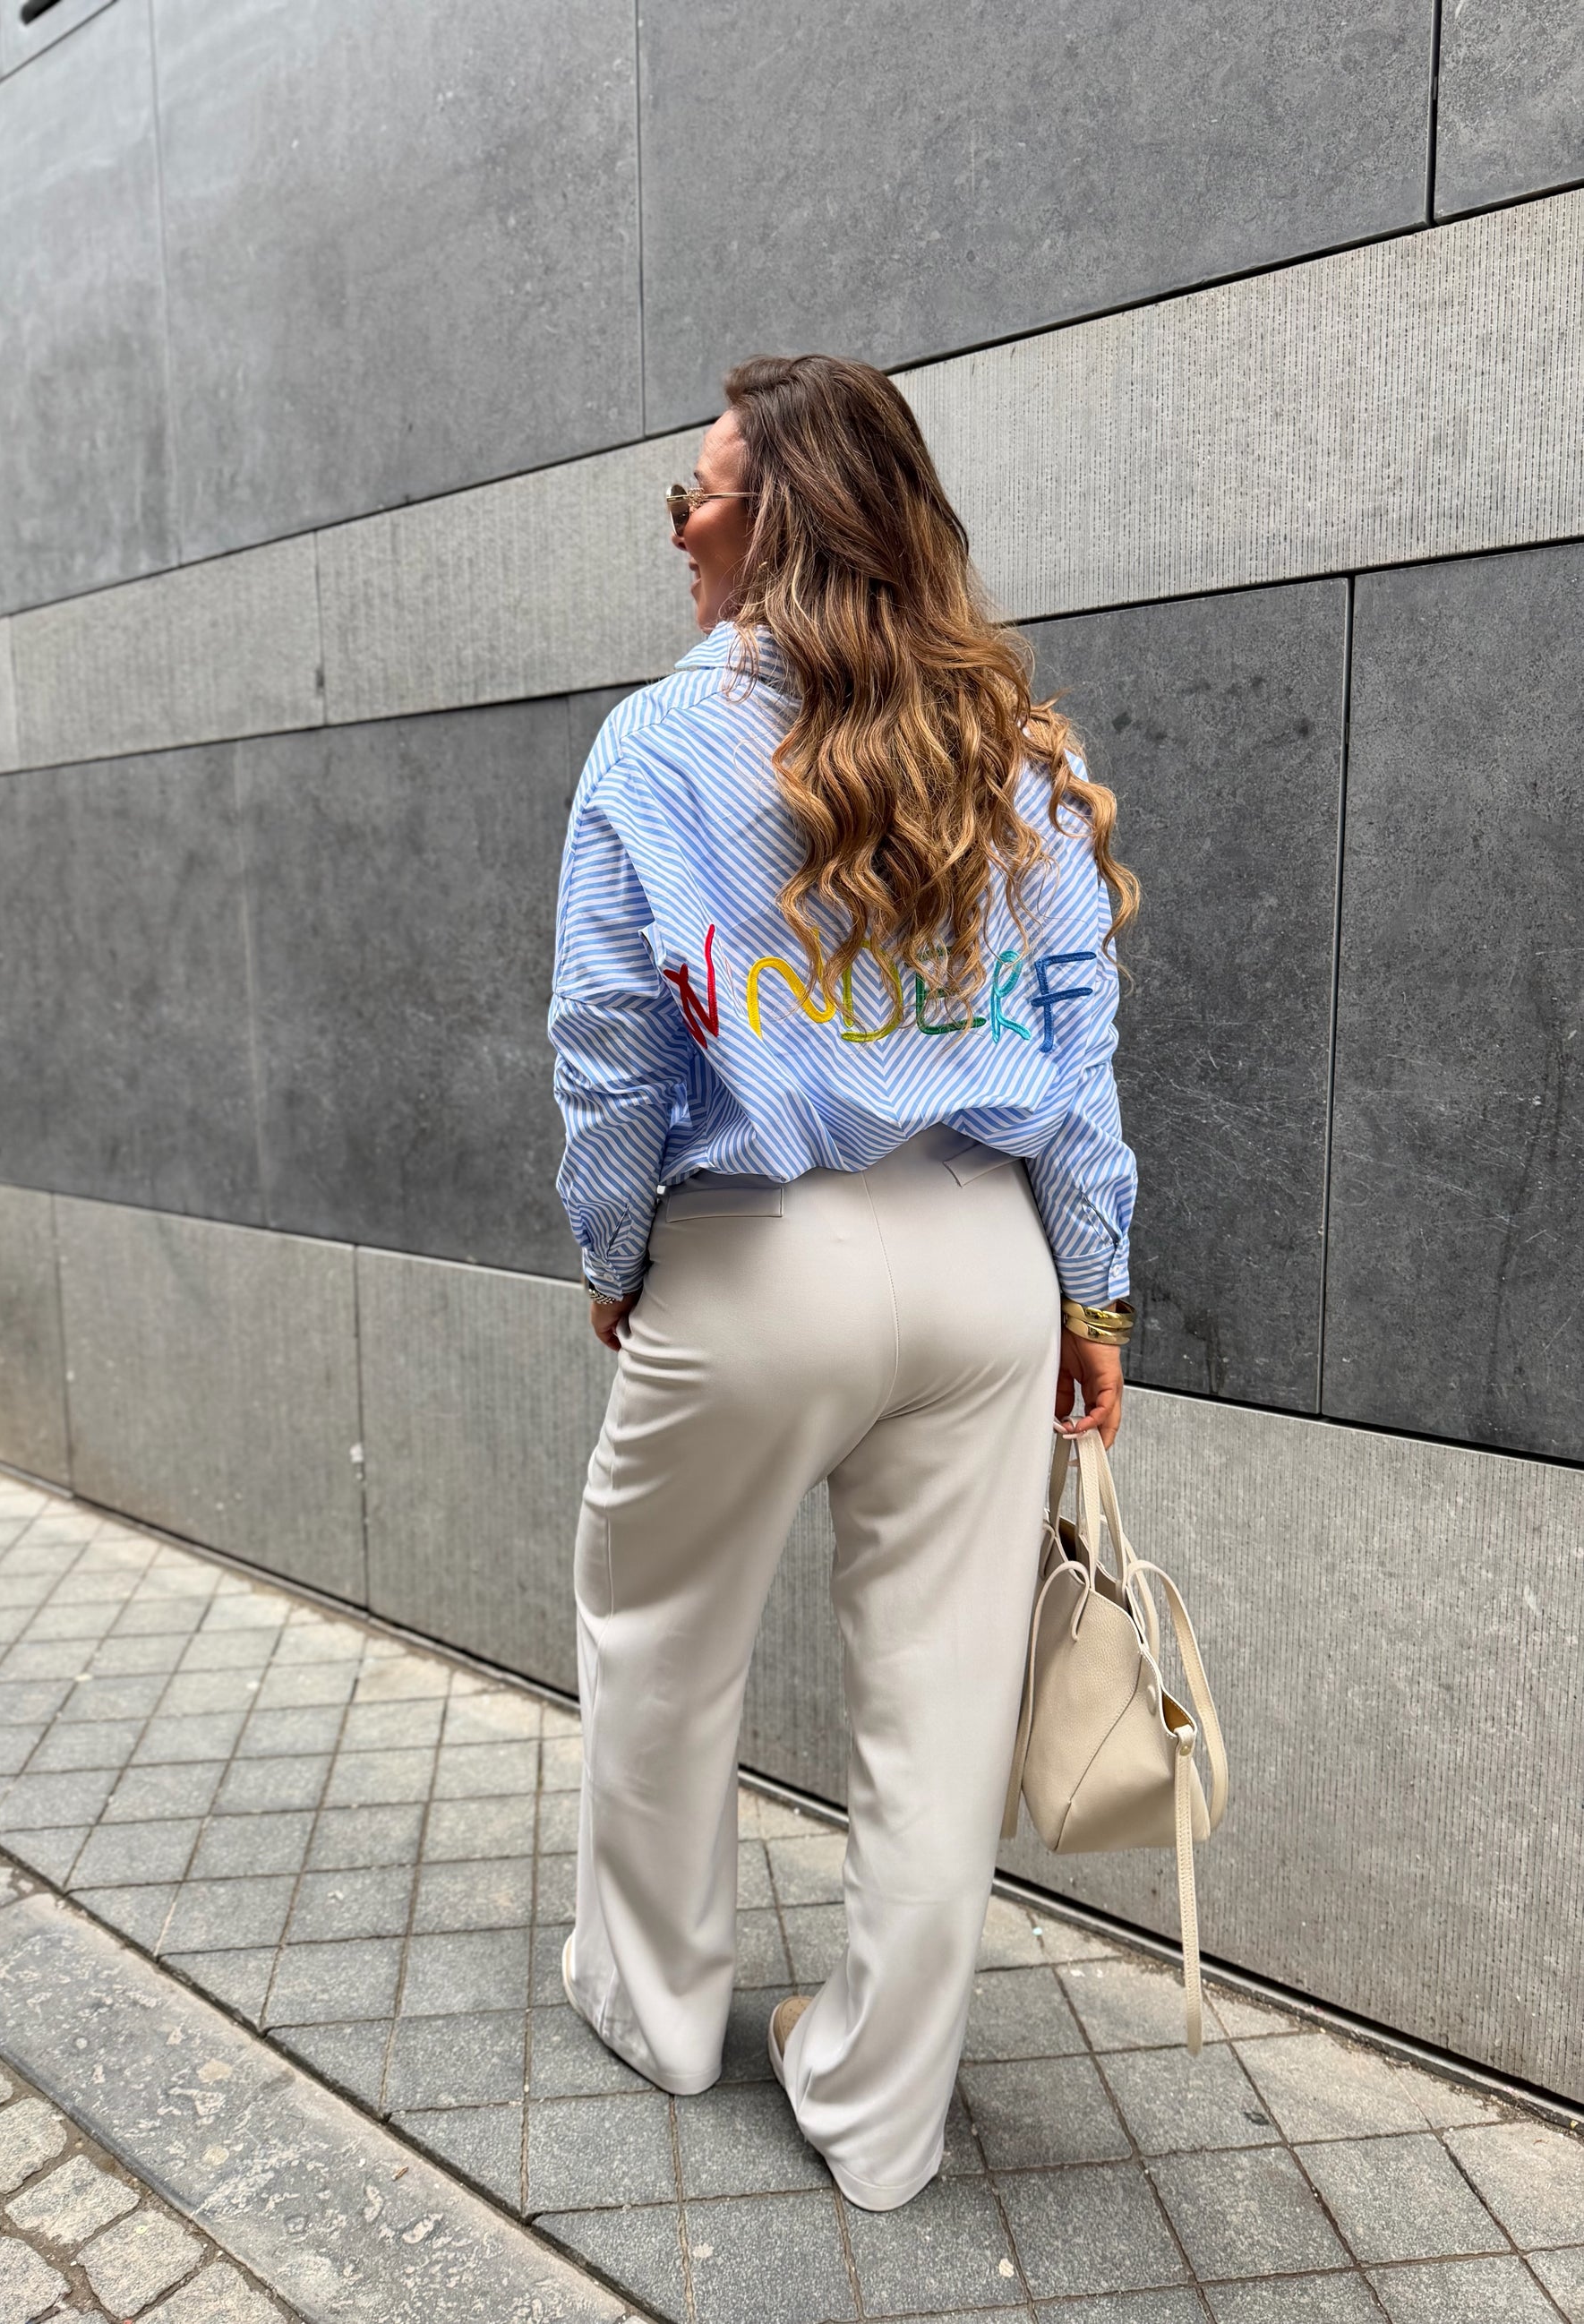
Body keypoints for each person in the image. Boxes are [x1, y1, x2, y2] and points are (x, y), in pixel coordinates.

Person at [546, 353, 1137, 2213]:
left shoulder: (658, 746)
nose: (680, 528)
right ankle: (878, 2114)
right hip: (986, 1260)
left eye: (697, 495)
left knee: (657, 1633)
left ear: (775, 522)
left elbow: (607, 1046)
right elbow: (1078, 1050)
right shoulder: (1007, 751)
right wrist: (1096, 1299)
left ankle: (654, 2005)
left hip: (761, 1255)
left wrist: (614, 1248)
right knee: (939, 1704)